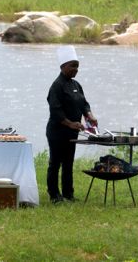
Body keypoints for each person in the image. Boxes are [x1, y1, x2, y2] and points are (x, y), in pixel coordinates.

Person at [46, 46, 98, 203]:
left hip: (72, 132)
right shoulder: (56, 86)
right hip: (57, 131)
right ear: (63, 66)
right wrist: (70, 124)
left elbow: (84, 104)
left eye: (77, 66)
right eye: (72, 66)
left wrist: (89, 115)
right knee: (55, 163)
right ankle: (54, 195)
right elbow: (56, 111)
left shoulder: (76, 85)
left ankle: (68, 193)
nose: (75, 69)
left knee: (68, 163)